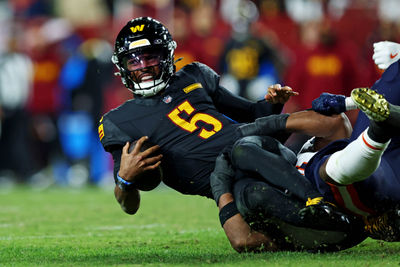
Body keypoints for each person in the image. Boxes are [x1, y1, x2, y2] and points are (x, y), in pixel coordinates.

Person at [98, 17, 348, 230]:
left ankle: (355, 172)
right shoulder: (117, 122)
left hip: (248, 141)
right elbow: (128, 206)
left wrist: (272, 102)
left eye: (150, 58)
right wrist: (124, 181)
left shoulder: (193, 75)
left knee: (325, 121)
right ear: (122, 67)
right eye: (134, 61)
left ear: (166, 56)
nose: (143, 68)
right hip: (224, 181)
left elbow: (251, 113)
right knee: (263, 217)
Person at [211, 87, 400, 253]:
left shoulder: (290, 155)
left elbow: (335, 122)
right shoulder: (251, 165)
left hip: (342, 215)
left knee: (251, 181)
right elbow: (242, 239)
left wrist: (346, 103)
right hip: (332, 220)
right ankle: (377, 134)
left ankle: (377, 134)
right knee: (250, 185)